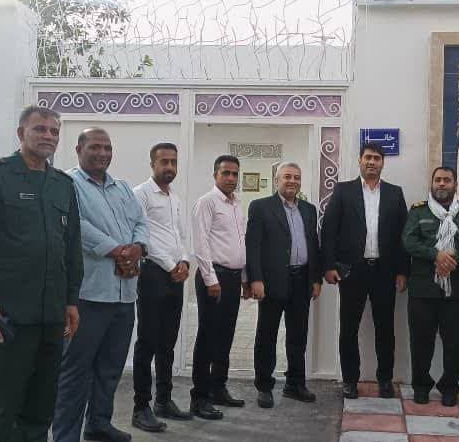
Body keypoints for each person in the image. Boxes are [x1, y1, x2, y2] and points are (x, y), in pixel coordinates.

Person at [0, 105, 82, 442]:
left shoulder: (62, 185)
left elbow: (71, 248)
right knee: (3, 402)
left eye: (54, 131)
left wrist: (71, 300)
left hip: (51, 314)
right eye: (40, 129)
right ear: (20, 133)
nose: (48, 136)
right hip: (8, 314)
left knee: (41, 404)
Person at [53, 128, 148, 442]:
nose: (103, 153)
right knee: (75, 371)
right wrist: (117, 250)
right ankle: (66, 435)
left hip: (124, 294)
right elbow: (74, 225)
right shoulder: (67, 184)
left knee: (110, 367)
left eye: (107, 148)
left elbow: (140, 222)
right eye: (95, 147)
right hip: (89, 295)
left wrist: (137, 248)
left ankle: (98, 424)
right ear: (79, 149)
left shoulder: (123, 188)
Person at [321, 142, 409, 399]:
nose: (372, 162)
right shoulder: (343, 191)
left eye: (377, 158)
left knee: (385, 329)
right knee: (349, 329)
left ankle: (385, 380)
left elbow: (403, 236)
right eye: (368, 157)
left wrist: (402, 271)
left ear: (383, 163)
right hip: (351, 272)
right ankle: (350, 379)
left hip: (385, 272)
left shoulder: (394, 193)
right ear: (360, 160)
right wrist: (329, 266)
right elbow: (329, 230)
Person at [402, 167, 459, 406]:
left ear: (454, 184)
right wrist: (436, 255)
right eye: (437, 180)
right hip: (423, 289)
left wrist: (452, 258)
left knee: (454, 344)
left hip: (455, 290)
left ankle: (449, 388)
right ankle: (421, 386)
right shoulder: (418, 211)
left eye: (447, 180)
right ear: (432, 183)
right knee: (421, 342)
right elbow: (408, 240)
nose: (442, 184)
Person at [246, 162, 323, 409]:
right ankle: (264, 386)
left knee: (298, 336)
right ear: (277, 179)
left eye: (296, 177)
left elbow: (314, 246)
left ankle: (295, 384)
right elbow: (253, 245)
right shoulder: (260, 207)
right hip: (272, 282)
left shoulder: (309, 210)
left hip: (302, 281)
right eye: (287, 176)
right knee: (266, 335)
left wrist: (316, 279)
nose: (292, 181)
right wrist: (255, 279)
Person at [130, 142, 193, 430]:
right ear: (152, 164)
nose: (169, 167)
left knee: (168, 341)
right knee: (147, 342)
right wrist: (171, 266)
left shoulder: (174, 198)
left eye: (173, 162)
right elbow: (142, 236)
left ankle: (163, 401)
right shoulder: (140, 194)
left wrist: (185, 261)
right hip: (153, 274)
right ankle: (140, 407)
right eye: (164, 161)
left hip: (175, 276)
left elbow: (180, 235)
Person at [190, 155, 249, 420]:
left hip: (233, 278)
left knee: (226, 335)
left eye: (235, 174)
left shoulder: (236, 205)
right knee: (208, 337)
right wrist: (210, 279)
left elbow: (241, 243)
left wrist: (244, 278)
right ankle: (200, 397)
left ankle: (218, 388)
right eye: (226, 173)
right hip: (214, 278)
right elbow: (200, 243)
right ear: (215, 175)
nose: (231, 178)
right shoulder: (207, 202)